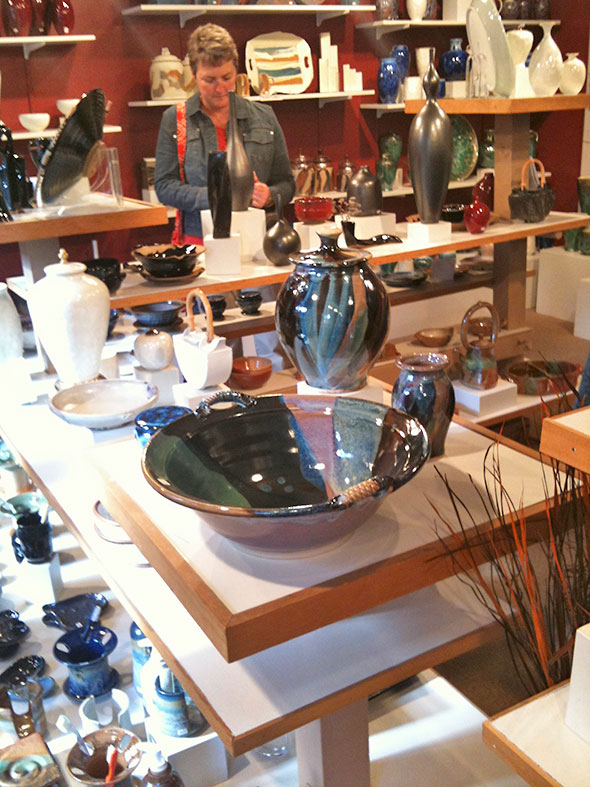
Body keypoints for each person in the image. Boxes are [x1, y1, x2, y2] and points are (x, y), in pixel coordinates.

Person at [154, 23, 295, 245]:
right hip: (200, 241)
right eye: (209, 80)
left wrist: (269, 195)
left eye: (227, 77)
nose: (220, 88)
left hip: (257, 240)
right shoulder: (175, 120)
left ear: (236, 70)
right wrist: (214, 197)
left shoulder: (264, 117)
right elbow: (164, 186)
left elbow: (286, 183)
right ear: (194, 74)